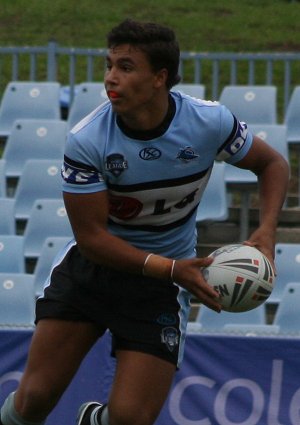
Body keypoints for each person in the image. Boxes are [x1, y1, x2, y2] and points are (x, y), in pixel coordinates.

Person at [0, 18, 289, 425]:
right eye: (109, 65)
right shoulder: (87, 141)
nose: (110, 78)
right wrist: (171, 268)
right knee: (35, 398)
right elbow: (92, 240)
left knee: (131, 420)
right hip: (93, 274)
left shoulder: (209, 122)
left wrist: (266, 230)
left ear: (159, 78)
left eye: (126, 67)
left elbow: (272, 163)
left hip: (159, 289)